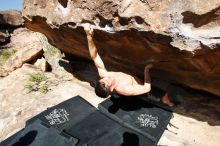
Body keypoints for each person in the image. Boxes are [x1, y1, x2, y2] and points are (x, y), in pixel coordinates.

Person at [83, 23, 152, 98]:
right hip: (144, 87)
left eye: (102, 80)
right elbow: (147, 88)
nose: (106, 78)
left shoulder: (105, 76)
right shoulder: (124, 88)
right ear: (112, 88)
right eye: (107, 82)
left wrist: (89, 37)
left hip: (135, 75)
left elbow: (95, 57)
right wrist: (146, 70)